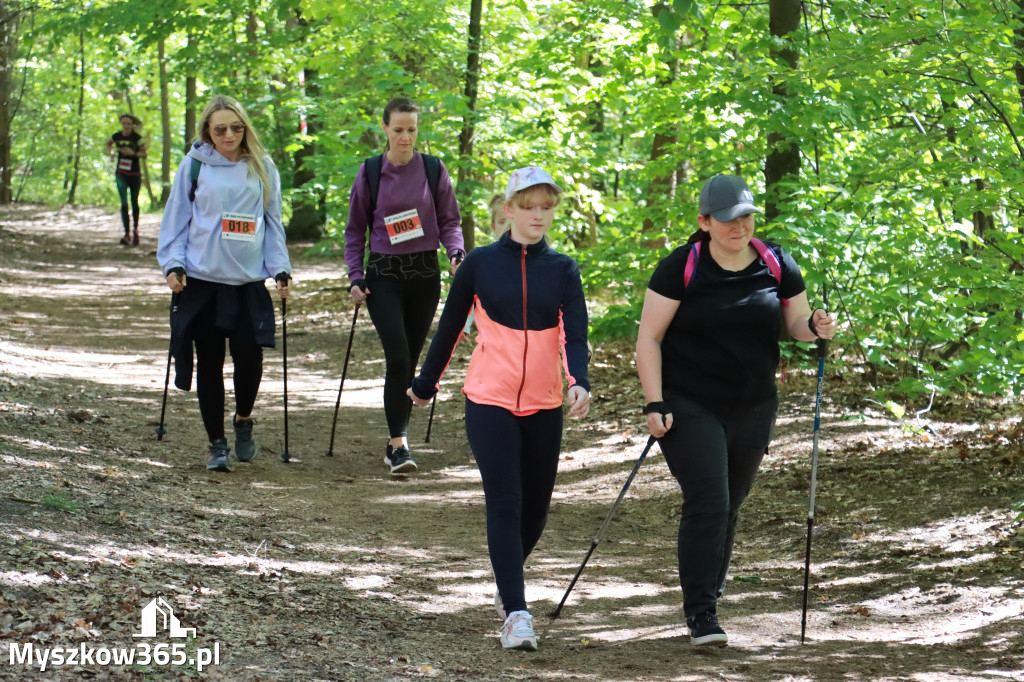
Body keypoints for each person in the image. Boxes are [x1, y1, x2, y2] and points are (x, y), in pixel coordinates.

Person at [635, 174, 838, 647]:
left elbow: (795, 326)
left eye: (745, 216)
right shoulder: (679, 268)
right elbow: (649, 338)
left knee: (731, 504)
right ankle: (702, 614)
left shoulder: (776, 262)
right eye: (726, 219)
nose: (738, 226)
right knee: (710, 500)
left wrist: (815, 325)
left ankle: (710, 589)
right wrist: (654, 400)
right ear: (704, 221)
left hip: (753, 403)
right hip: (689, 401)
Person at [407, 167, 591, 651]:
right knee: (505, 502)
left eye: (546, 207)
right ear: (507, 208)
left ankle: (505, 582)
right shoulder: (480, 264)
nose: (538, 215)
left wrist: (579, 382)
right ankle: (516, 611)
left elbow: (575, 332)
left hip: (545, 403)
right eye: (528, 206)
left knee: (535, 511)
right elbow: (448, 328)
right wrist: (426, 383)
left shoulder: (564, 269)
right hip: (488, 399)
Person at [156, 95, 291, 472]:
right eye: (220, 129)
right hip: (201, 281)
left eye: (236, 127)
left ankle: (243, 419)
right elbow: (177, 220)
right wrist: (173, 264)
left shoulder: (262, 166)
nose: (229, 134)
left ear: (245, 128)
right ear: (207, 132)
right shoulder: (195, 165)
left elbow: (272, 222)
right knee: (210, 364)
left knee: (250, 359)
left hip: (247, 282)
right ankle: (216, 443)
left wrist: (280, 268)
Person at [344, 97, 465, 475]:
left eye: (412, 130)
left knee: (410, 361)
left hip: (425, 276)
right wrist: (355, 275)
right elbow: (354, 232)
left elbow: (450, 221)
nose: (405, 137)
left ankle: (398, 436)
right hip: (383, 276)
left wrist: (456, 253)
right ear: (384, 128)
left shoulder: (433, 169)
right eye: (398, 130)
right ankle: (399, 446)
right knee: (397, 357)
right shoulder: (370, 173)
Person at [105, 114, 147, 246]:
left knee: (134, 202)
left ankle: (135, 231)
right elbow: (108, 143)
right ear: (121, 124)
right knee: (124, 204)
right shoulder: (117, 136)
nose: (126, 126)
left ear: (132, 125)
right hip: (121, 174)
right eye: (124, 123)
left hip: (135, 174)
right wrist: (111, 153)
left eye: (129, 124)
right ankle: (126, 234)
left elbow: (144, 154)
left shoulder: (137, 138)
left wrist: (133, 153)